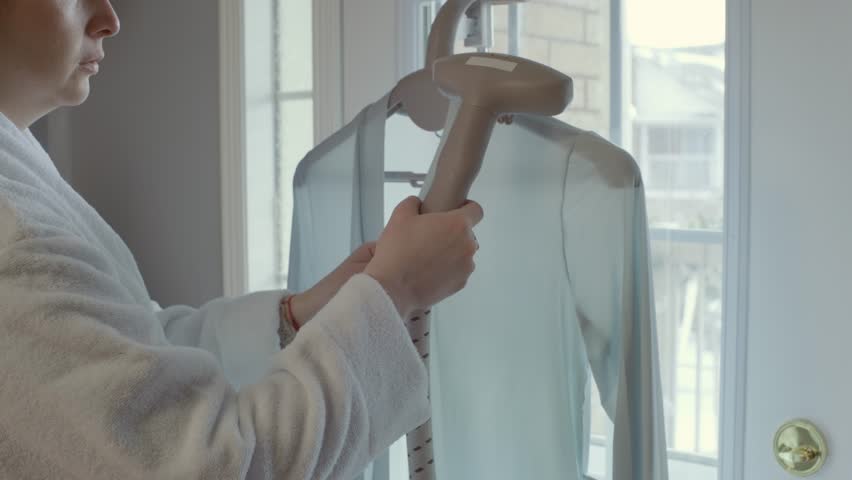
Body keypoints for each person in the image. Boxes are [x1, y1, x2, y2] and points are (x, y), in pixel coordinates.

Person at [0, 1, 483, 478]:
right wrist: (394, 290)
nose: (110, 20)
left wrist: (296, 318)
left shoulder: (19, 165)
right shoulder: (13, 232)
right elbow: (219, 466)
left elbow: (131, 360)